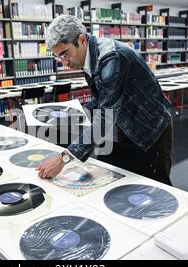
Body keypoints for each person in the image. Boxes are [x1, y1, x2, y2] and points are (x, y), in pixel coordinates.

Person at [37, 15, 173, 185]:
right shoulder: (88, 56)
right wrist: (75, 112)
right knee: (134, 179)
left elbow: (106, 119)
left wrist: (63, 159)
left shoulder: (110, 59)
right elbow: (105, 97)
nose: (64, 63)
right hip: (126, 122)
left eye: (66, 54)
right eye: (58, 57)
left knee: (158, 184)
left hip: (152, 128)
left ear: (81, 40)